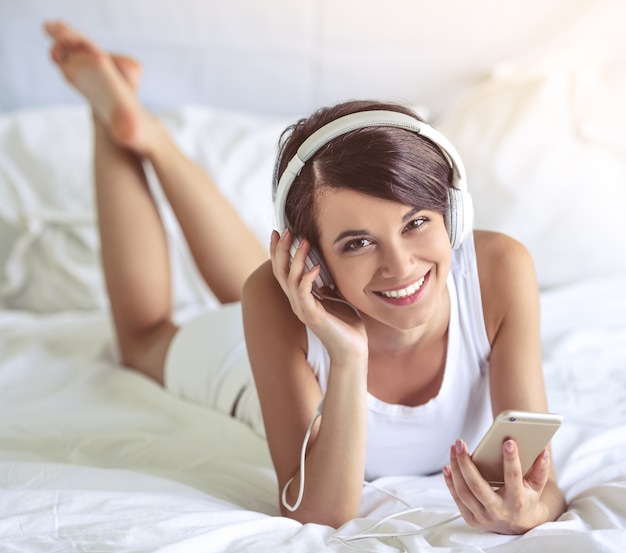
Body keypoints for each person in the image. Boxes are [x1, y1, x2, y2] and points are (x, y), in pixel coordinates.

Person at [45, 21, 566, 534]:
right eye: (357, 242)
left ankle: (148, 134)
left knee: (267, 291)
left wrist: (532, 511)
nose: (401, 265)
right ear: (312, 259)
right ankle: (113, 121)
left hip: (309, 309)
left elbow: (543, 483)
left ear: (452, 214)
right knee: (145, 339)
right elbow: (319, 515)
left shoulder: (499, 271)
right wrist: (346, 356)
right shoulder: (276, 303)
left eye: (416, 222)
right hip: (262, 356)